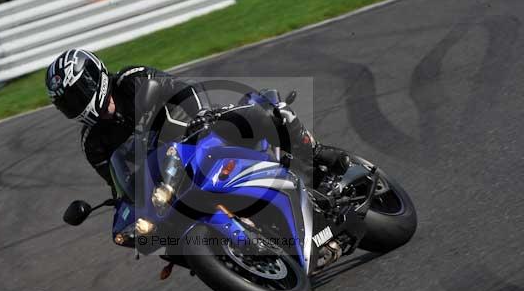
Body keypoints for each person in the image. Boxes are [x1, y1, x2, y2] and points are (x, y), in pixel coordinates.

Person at [45, 48, 348, 247]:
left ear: (94, 76)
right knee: (165, 229)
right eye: (67, 103)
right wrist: (128, 210)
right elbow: (121, 184)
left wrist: (192, 120)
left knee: (270, 111)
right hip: (173, 176)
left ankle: (317, 157)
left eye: (78, 93)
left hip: (200, 131)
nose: (77, 104)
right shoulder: (93, 143)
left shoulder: (131, 80)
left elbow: (185, 92)